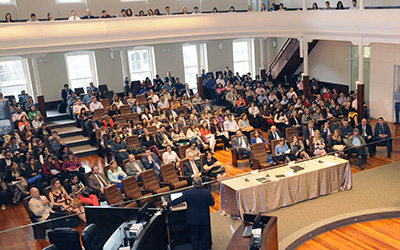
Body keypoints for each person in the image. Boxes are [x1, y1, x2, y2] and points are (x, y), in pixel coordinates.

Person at [163, 176, 214, 250]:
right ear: (201, 183)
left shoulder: (188, 193)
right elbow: (212, 203)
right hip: (204, 218)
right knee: (204, 236)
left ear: (193, 183)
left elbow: (178, 200)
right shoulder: (207, 193)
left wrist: (168, 204)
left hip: (193, 219)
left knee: (194, 237)